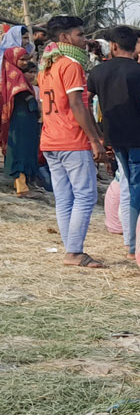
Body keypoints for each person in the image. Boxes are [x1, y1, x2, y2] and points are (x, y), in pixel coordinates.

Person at [39, 15, 107, 269]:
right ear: (65, 37)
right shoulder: (70, 65)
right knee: (85, 196)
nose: (85, 39)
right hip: (71, 139)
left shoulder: (46, 65)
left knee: (64, 197)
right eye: (80, 34)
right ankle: (74, 251)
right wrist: (95, 139)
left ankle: (71, 249)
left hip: (50, 138)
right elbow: (77, 104)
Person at [86, 25, 140, 259]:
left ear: (114, 46)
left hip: (114, 135)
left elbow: (86, 101)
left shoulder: (98, 72)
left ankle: (130, 240)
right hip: (139, 136)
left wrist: (96, 131)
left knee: (126, 185)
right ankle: (136, 245)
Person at [2, 45, 40, 198]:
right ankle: (22, 188)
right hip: (22, 116)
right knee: (22, 149)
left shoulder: (10, 72)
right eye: (22, 59)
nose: (24, 63)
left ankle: (22, 184)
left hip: (23, 116)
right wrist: (37, 107)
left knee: (24, 147)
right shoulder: (16, 74)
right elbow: (22, 93)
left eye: (26, 59)